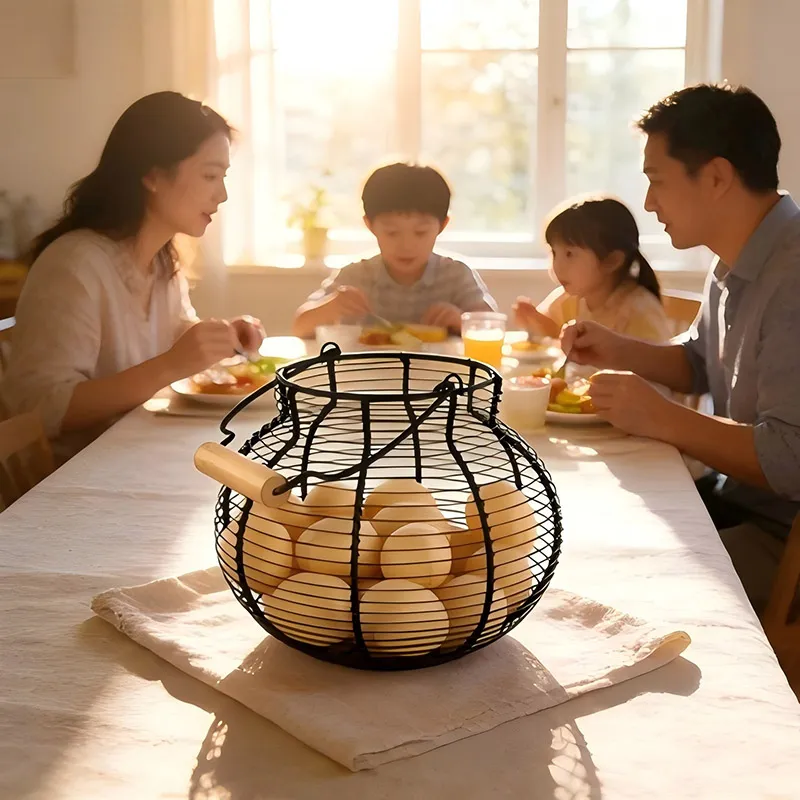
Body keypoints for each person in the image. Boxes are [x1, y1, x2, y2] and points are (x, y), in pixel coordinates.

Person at [561, 84, 800, 612]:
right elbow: (699, 364)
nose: (648, 202)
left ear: (716, 177)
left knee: (616, 585)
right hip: (734, 499)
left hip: (783, 539)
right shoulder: (732, 257)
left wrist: (663, 418)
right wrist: (618, 348)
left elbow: (790, 459)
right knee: (587, 530)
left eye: (657, 182)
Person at [1, 91, 265, 462]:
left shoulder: (161, 261)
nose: (221, 195)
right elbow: (40, 408)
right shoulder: (74, 265)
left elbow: (174, 331)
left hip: (131, 456)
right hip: (68, 481)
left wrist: (223, 337)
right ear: (154, 175)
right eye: (210, 175)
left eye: (223, 176)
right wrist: (171, 365)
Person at [292, 162, 496, 338]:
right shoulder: (356, 276)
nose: (406, 245)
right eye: (391, 232)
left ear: (443, 225)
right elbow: (299, 328)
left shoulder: (455, 275)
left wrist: (460, 321)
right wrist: (331, 307)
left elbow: (494, 329)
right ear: (369, 225)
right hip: (369, 378)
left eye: (420, 232)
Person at [513, 196, 672, 344]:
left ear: (612, 260)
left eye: (570, 254)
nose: (557, 265)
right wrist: (533, 319)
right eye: (554, 253)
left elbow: (657, 368)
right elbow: (555, 334)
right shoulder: (569, 299)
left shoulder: (639, 311)